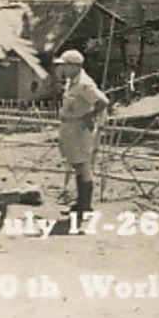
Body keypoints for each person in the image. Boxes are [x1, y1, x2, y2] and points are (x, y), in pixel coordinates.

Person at [55, 50, 109, 227]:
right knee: (77, 165)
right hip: (70, 127)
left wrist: (90, 116)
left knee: (83, 166)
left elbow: (103, 102)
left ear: (74, 66)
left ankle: (85, 207)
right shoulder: (73, 83)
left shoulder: (84, 84)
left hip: (79, 128)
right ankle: (80, 203)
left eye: (65, 65)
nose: (62, 68)